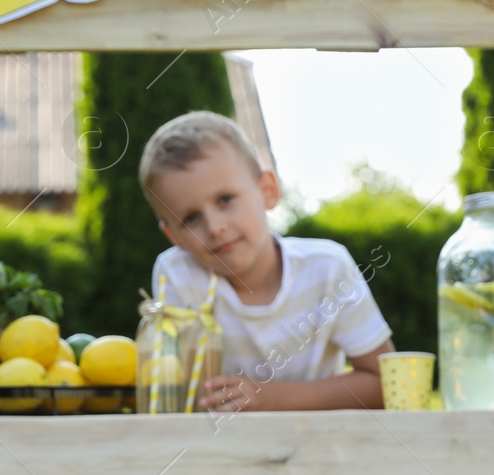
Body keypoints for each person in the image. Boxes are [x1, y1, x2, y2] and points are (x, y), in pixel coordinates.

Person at [141, 110, 395, 412]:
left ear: (268, 191)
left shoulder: (328, 269)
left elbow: (383, 384)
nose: (215, 227)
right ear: (174, 236)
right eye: (191, 218)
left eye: (225, 199)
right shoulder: (179, 275)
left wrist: (270, 399)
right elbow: (176, 393)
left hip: (320, 449)